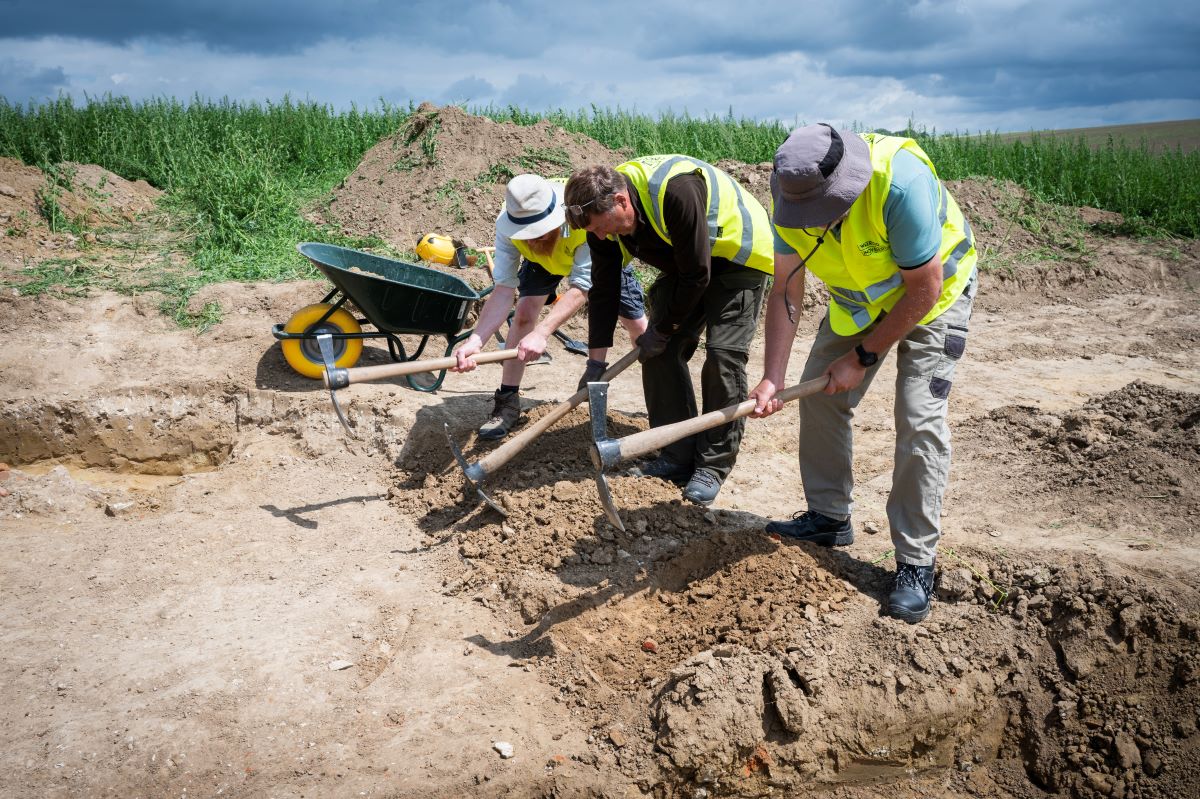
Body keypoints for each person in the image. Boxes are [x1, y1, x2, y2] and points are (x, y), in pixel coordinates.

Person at [749, 123, 978, 624]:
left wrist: (863, 357)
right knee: (820, 395)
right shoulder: (792, 187)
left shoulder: (900, 184)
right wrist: (772, 376)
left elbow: (925, 286)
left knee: (918, 417)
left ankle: (916, 563)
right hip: (862, 300)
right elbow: (787, 287)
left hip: (934, 297)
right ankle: (829, 516)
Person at [565, 156, 773, 506]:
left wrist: (662, 329)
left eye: (602, 226)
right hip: (687, 264)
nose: (599, 235)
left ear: (620, 201)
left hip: (738, 259)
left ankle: (712, 465)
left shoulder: (676, 190)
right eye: (593, 230)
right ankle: (676, 455)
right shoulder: (600, 221)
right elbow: (603, 289)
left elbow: (698, 276)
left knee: (722, 356)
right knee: (656, 352)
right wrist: (595, 363)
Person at [452, 174, 648, 440]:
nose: (530, 240)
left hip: (599, 252)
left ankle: (658, 404)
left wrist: (542, 333)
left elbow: (581, 288)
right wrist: (476, 341)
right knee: (522, 316)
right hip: (544, 262)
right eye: (525, 235)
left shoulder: (584, 220)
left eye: (538, 233)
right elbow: (503, 290)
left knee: (638, 328)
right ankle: (507, 401)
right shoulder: (509, 223)